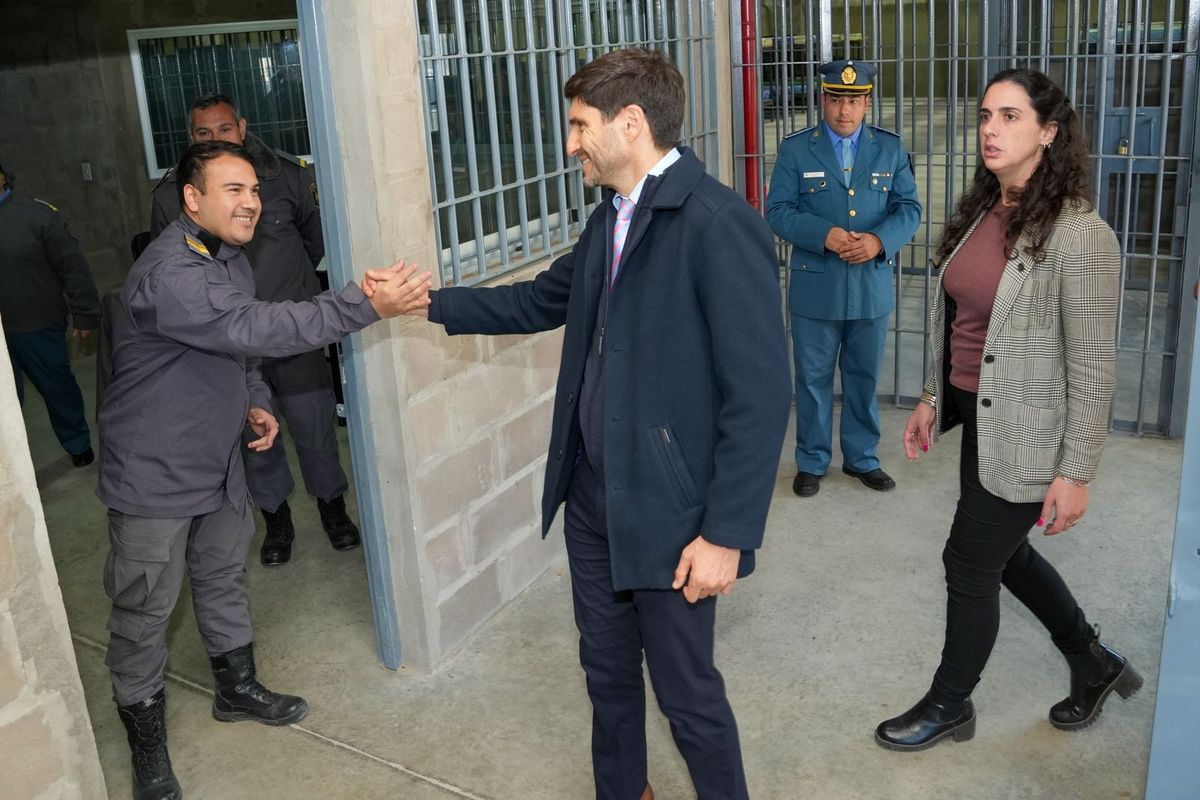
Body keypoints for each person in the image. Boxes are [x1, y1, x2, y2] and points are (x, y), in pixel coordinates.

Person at [372, 47, 791, 800]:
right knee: (606, 678)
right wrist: (427, 303)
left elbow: (760, 397)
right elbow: (537, 301)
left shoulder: (717, 224)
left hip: (673, 516)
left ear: (631, 124)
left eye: (579, 125)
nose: (570, 145)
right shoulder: (613, 219)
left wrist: (726, 534)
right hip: (596, 504)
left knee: (688, 698)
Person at [99, 141, 430, 799]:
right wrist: (362, 304)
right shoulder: (171, 273)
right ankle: (148, 751)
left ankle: (236, 690)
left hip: (220, 462)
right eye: (231, 190)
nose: (249, 202)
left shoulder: (227, 259)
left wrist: (253, 402)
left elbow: (238, 350)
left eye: (253, 189)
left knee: (222, 576)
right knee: (143, 610)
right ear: (190, 199)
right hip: (154, 473)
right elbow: (252, 328)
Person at [874, 69, 1140, 752]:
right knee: (1006, 556)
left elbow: (1093, 365)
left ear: (1049, 133)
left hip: (1031, 436)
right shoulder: (985, 210)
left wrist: (1076, 471)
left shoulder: (1079, 235)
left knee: (969, 563)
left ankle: (949, 705)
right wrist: (935, 397)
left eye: (1011, 116)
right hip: (979, 422)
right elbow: (960, 316)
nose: (990, 128)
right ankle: (1095, 663)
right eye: (987, 114)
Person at [150, 93, 355, 566]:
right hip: (229, 345)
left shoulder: (286, 177)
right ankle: (276, 518)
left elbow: (316, 238)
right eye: (203, 134)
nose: (215, 139)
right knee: (255, 436)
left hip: (293, 331)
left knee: (314, 426)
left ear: (241, 128)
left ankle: (332, 507)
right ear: (190, 138)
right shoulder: (172, 195)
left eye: (224, 130)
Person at [765, 59, 922, 497]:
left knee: (864, 377)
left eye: (853, 100)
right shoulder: (798, 150)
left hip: (870, 285)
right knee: (812, 380)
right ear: (823, 100)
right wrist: (825, 235)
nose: (844, 110)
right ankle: (812, 460)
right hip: (817, 286)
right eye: (836, 99)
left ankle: (861, 458)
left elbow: (908, 208)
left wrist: (878, 241)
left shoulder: (889, 149)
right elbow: (777, 210)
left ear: (867, 103)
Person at [0, 159, 100, 467]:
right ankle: (13, 469)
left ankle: (77, 443)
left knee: (58, 388)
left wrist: (85, 313)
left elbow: (73, 268)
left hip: (37, 326)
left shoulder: (36, 217)